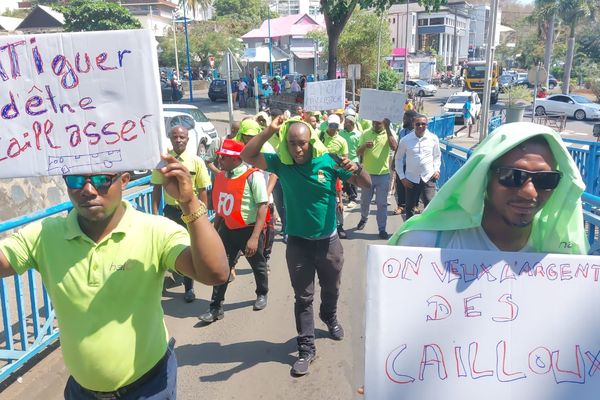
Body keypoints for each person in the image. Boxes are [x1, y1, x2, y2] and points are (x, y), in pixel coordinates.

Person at [0, 160, 228, 399]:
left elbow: (215, 273)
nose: (88, 189)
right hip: (82, 392)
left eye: (101, 180)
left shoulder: (155, 230)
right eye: (77, 180)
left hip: (149, 388)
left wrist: (189, 202)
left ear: (125, 180)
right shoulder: (45, 234)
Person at [240, 116, 371, 376]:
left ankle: (329, 316)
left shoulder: (329, 162)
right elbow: (247, 154)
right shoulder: (281, 164)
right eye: (292, 143)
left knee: (332, 288)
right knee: (303, 297)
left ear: (311, 142)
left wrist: (355, 167)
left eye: (302, 143)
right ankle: (306, 348)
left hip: (329, 243)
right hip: (298, 245)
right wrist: (270, 131)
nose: (297, 149)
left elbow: (366, 184)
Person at [389, 122, 589, 256]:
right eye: (512, 177)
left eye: (545, 180)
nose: (530, 192)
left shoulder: (562, 257)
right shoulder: (424, 245)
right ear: (484, 177)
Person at [199, 139, 270, 323]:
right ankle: (215, 307)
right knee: (222, 269)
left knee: (258, 265)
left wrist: (254, 237)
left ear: (236, 159)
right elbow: (221, 209)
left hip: (248, 230)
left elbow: (263, 206)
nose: (219, 160)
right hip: (227, 230)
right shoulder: (222, 177)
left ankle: (262, 293)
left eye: (223, 157)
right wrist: (214, 232)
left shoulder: (253, 176)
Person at [151, 125, 211, 303]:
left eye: (182, 137)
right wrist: (155, 213)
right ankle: (157, 286)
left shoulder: (196, 161)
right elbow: (156, 188)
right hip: (170, 211)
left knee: (189, 247)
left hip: (191, 213)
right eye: (175, 137)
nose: (178, 140)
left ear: (188, 139)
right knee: (163, 247)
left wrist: (203, 215)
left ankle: (189, 288)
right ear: (170, 138)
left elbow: (202, 190)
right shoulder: (161, 162)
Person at [356, 119, 398, 239]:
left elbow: (394, 146)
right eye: (374, 122)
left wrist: (388, 129)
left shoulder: (389, 132)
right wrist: (364, 146)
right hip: (367, 175)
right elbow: (358, 152)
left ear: (383, 124)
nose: (375, 125)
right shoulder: (365, 133)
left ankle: (382, 228)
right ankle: (364, 218)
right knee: (365, 201)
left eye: (378, 123)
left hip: (383, 175)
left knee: (382, 204)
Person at [395, 114, 441, 220]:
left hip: (428, 177)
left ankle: (428, 230)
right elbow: (398, 159)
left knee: (429, 204)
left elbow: (437, 156)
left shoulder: (433, 138)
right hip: (411, 179)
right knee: (409, 207)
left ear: (427, 125)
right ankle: (409, 232)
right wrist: (402, 177)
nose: (420, 126)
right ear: (413, 125)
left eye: (423, 124)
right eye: (418, 124)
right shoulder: (405, 140)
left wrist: (437, 170)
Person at [323, 114, 350, 239]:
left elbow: (345, 158)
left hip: (336, 173)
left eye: (336, 126)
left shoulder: (342, 140)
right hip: (321, 173)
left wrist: (341, 172)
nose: (333, 128)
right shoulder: (320, 136)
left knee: (338, 199)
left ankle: (340, 226)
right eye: (331, 125)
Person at [392, 110, 418, 216]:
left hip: (412, 164)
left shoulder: (418, 132)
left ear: (411, 119)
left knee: (414, 186)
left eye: (405, 118)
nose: (403, 120)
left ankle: (414, 205)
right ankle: (401, 206)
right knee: (400, 186)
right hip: (401, 163)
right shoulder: (403, 131)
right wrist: (394, 160)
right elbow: (398, 147)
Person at [339, 114, 362, 208]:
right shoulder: (341, 133)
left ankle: (353, 198)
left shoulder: (358, 134)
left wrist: (361, 162)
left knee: (352, 180)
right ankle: (350, 195)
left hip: (354, 160)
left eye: (346, 122)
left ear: (352, 123)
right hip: (343, 160)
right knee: (345, 180)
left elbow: (360, 149)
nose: (344, 123)